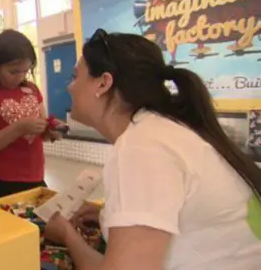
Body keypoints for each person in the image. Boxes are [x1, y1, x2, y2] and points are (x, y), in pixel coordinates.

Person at [45, 29, 261, 269]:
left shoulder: (141, 148)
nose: (69, 88)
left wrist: (68, 236)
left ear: (104, 83)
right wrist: (108, 217)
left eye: (75, 77)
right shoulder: (161, 129)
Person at [0, 29, 62, 201]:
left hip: (36, 178)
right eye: (13, 72)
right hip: (1, 182)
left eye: (25, 71)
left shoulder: (32, 90)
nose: (19, 77)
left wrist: (50, 130)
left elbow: (41, 128)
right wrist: (18, 128)